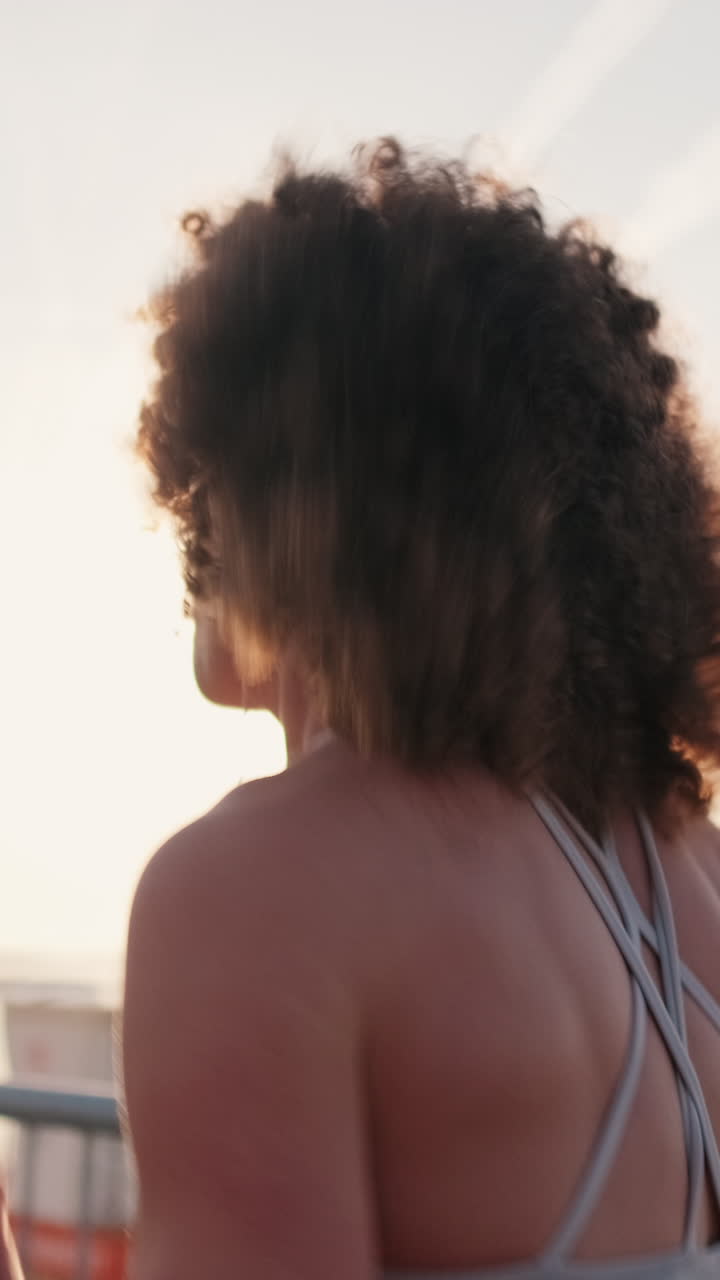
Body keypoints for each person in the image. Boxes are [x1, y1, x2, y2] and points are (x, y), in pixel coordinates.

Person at [6, 139, 720, 1280]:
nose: (191, 535)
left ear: (291, 510)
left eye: (202, 487)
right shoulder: (692, 872)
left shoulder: (256, 890)